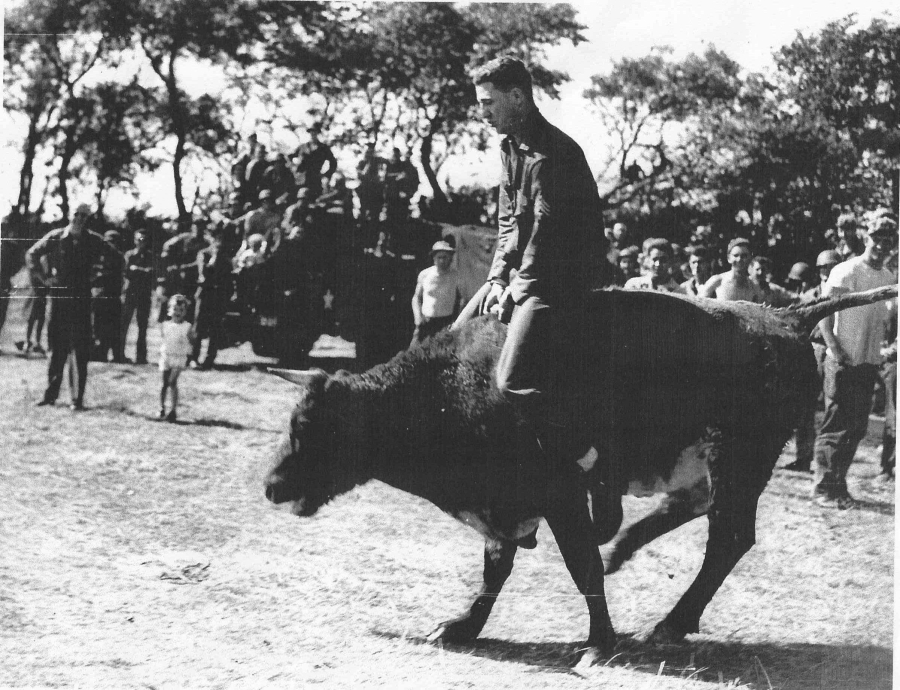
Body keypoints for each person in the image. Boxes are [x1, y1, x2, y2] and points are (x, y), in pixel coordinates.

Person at [464, 56, 617, 535]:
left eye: (489, 103)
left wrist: (517, 288)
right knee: (452, 338)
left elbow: (547, 231)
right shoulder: (511, 147)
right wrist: (494, 278)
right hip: (527, 273)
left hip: (563, 280)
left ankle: (597, 466)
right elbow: (511, 221)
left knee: (510, 381)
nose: (482, 112)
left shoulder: (552, 153)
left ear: (518, 96)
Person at [811, 216, 897, 508]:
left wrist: (883, 349)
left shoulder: (887, 277)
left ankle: (839, 485)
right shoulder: (845, 271)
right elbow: (823, 312)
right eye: (877, 237)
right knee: (836, 424)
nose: (882, 244)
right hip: (843, 359)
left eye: (889, 239)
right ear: (867, 237)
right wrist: (835, 350)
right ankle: (824, 488)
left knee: (857, 427)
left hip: (868, 361)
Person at [28, 203, 120, 410]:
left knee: (79, 349)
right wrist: (43, 278)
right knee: (56, 346)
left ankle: (76, 399)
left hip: (82, 300)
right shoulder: (56, 236)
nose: (79, 219)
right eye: (76, 214)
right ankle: (50, 395)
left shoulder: (94, 240)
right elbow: (32, 254)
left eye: (84, 216)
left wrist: (98, 279)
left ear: (88, 219)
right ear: (70, 215)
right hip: (59, 298)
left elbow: (116, 259)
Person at [785, 249, 842, 473]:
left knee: (832, 405)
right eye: (825, 267)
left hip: (834, 350)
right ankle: (803, 456)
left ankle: (825, 462)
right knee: (804, 407)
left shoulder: (843, 295)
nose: (828, 271)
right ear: (819, 271)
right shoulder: (809, 296)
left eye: (833, 266)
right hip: (811, 350)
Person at [411, 240, 461, 345]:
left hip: (445, 323)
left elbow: (462, 299)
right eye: (439, 257)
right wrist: (418, 318)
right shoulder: (425, 274)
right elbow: (416, 298)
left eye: (445, 257)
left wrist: (457, 321)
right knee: (416, 354)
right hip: (425, 322)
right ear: (434, 258)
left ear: (450, 258)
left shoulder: (456, 276)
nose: (442, 261)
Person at [91, 229, 126, 362]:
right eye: (108, 242)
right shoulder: (98, 255)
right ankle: (99, 353)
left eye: (113, 242)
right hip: (99, 296)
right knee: (98, 326)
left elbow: (117, 276)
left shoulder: (118, 257)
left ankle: (115, 354)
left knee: (113, 327)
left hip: (113, 296)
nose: (110, 245)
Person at [158, 294, 195, 422]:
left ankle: (173, 410)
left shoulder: (187, 327)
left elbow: (192, 341)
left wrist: (189, 351)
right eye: (175, 309)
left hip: (179, 358)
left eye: (181, 310)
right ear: (169, 310)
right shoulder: (165, 325)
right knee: (164, 383)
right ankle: (161, 408)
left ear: (185, 312)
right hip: (166, 356)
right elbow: (165, 339)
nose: (177, 313)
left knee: (172, 382)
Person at [120, 229, 154, 364]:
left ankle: (141, 356)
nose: (141, 243)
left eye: (144, 240)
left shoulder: (150, 256)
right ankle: (120, 354)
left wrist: (136, 270)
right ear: (134, 240)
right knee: (124, 325)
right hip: (130, 293)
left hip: (144, 294)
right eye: (139, 240)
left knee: (142, 327)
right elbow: (126, 271)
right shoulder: (129, 255)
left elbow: (151, 272)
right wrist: (140, 271)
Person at [701, 237, 765, 302]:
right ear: (729, 258)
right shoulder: (718, 281)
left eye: (744, 256)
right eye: (736, 255)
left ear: (750, 258)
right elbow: (699, 303)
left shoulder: (754, 286)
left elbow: (759, 309)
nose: (739, 259)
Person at [15, 252, 49, 355]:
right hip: (35, 293)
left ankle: (37, 342)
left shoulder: (44, 260)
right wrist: (45, 280)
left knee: (41, 318)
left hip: (42, 294)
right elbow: (35, 274)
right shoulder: (33, 262)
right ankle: (28, 340)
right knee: (32, 318)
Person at [293, 122, 336, 199]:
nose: (312, 134)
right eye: (311, 132)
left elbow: (333, 163)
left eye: (314, 132)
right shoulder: (303, 147)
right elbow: (291, 157)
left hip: (315, 179)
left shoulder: (323, 148)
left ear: (317, 133)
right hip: (300, 180)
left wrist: (326, 175)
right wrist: (295, 168)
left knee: (314, 201)